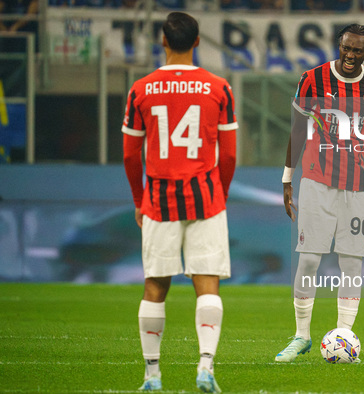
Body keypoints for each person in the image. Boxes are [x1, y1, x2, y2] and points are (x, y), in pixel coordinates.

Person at [122, 12, 237, 393]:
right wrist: (218, 193)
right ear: (198, 41)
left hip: (158, 199)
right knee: (207, 284)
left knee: (155, 286)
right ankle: (206, 367)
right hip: (206, 197)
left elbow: (129, 154)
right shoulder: (219, 87)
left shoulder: (140, 89)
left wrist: (139, 200)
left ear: (163, 41)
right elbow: (230, 154)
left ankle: (152, 375)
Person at [276, 24, 364, 362]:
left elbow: (363, 132)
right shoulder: (312, 79)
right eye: (346, 48)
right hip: (315, 179)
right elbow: (297, 129)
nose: (351, 55)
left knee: (352, 263)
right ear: (338, 46)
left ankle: (344, 335)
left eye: (358, 50)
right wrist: (287, 177)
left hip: (357, 186)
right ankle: (301, 336)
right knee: (309, 258)